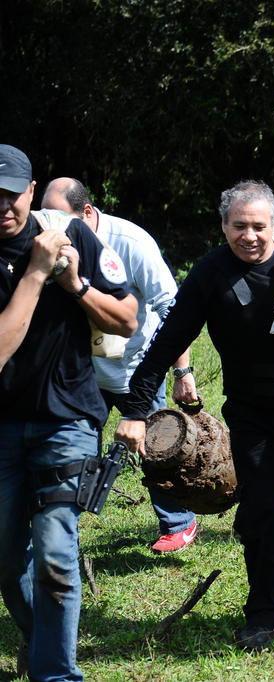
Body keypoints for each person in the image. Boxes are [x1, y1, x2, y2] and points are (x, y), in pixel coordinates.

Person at [114, 181, 274, 652]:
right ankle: (263, 613)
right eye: (239, 226)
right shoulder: (212, 273)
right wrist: (135, 408)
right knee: (261, 512)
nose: (249, 235)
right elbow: (169, 339)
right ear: (224, 226)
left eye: (259, 226)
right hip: (251, 413)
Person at [0, 144, 137, 681]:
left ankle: (56, 673)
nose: (4, 206)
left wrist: (75, 284)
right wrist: (37, 273)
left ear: (32, 191)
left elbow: (125, 319)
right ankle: (41, 643)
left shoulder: (72, 234)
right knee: (7, 561)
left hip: (69, 419)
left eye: (12, 194)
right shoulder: (40, 254)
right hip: (3, 425)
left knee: (56, 554)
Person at [41, 177, 201, 554]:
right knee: (71, 450)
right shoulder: (45, 244)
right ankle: (65, 530)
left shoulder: (130, 242)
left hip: (136, 369)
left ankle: (178, 522)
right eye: (46, 217)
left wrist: (182, 371)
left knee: (154, 449)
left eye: (59, 218)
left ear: (86, 213)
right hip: (80, 372)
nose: (51, 227)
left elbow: (172, 309)